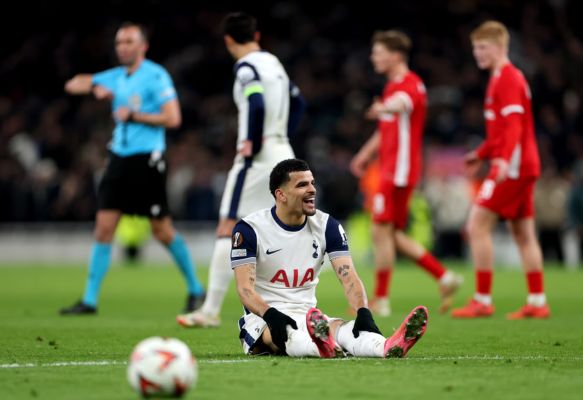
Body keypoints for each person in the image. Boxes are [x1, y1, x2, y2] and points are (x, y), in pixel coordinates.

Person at [59, 22, 205, 315]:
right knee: (103, 228)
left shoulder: (156, 76)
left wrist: (134, 115)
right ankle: (89, 300)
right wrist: (95, 87)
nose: (122, 47)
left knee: (162, 230)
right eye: (119, 42)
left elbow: (173, 118)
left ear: (143, 46)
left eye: (128, 41)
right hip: (118, 159)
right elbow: (74, 83)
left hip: (147, 160)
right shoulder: (116, 76)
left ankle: (196, 288)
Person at [177, 12, 305, 328]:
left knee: (228, 226)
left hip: (258, 156)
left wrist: (251, 140)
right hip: (282, 149)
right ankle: (291, 304)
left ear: (228, 40)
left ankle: (209, 311)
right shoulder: (274, 63)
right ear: (257, 36)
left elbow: (256, 103)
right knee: (278, 226)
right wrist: (281, 134)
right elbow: (299, 101)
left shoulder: (246, 68)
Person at [231, 158, 429, 358]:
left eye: (312, 183)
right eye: (302, 185)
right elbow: (244, 289)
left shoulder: (327, 226)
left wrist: (363, 312)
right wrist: (270, 314)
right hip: (263, 319)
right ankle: (320, 347)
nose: (312, 190)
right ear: (280, 194)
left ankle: (385, 347)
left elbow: (348, 277)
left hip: (309, 316)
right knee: (287, 335)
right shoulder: (250, 229)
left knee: (345, 330)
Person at [350, 30, 462, 316]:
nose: (373, 57)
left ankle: (381, 299)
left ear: (396, 55)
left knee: (380, 231)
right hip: (394, 169)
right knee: (392, 233)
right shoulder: (393, 86)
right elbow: (387, 125)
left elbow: (401, 105)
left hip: (396, 172)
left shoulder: (410, 86)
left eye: (378, 52)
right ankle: (444, 277)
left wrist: (384, 107)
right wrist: (365, 154)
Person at [451, 21, 550, 319]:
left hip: (515, 166)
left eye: (483, 47)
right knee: (523, 233)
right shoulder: (501, 78)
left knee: (476, 225)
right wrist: (481, 154)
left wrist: (503, 160)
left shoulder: (507, 78)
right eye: (475, 48)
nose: (477, 54)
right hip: (523, 164)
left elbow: (514, 127)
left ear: (501, 47)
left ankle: (482, 299)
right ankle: (537, 301)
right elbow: (499, 133)